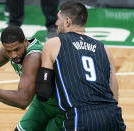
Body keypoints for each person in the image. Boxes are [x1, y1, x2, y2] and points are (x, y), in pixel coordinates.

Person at [36, 1, 126, 131]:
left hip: (81, 118)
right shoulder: (104, 49)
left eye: (58, 19)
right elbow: (114, 94)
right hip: (112, 117)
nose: (56, 23)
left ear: (67, 21)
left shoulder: (53, 44)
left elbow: (43, 92)